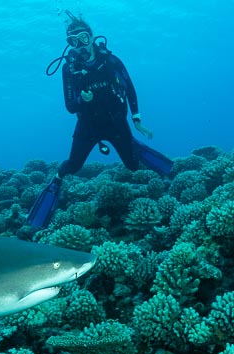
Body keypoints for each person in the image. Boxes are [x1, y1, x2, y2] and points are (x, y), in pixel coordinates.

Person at [27, 12, 173, 228]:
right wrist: (83, 100)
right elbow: (70, 106)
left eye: (83, 39)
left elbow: (130, 88)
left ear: (92, 37)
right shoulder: (70, 68)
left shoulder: (111, 61)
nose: (80, 46)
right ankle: (56, 181)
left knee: (133, 166)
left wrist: (137, 120)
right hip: (88, 126)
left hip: (116, 123)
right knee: (73, 166)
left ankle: (133, 145)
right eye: (73, 42)